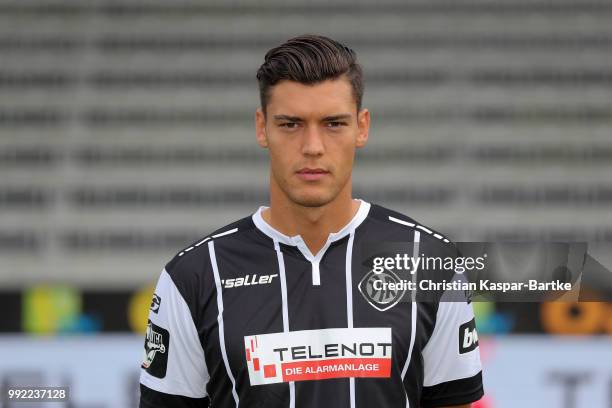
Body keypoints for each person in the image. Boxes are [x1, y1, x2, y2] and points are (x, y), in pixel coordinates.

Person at [139, 34, 483, 408]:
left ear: (362, 127)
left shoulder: (430, 262)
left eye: (334, 123)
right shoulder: (194, 276)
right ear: (261, 127)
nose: (313, 146)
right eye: (290, 124)